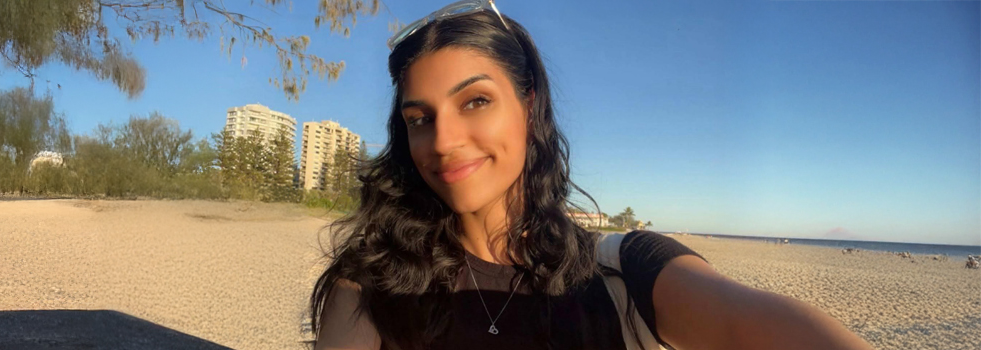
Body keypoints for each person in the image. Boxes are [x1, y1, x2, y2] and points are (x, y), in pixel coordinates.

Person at [307, 1, 874, 349]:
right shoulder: (378, 281)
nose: (443, 140)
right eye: (418, 119)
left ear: (528, 106)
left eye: (475, 101)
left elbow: (741, 324)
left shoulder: (623, 273)